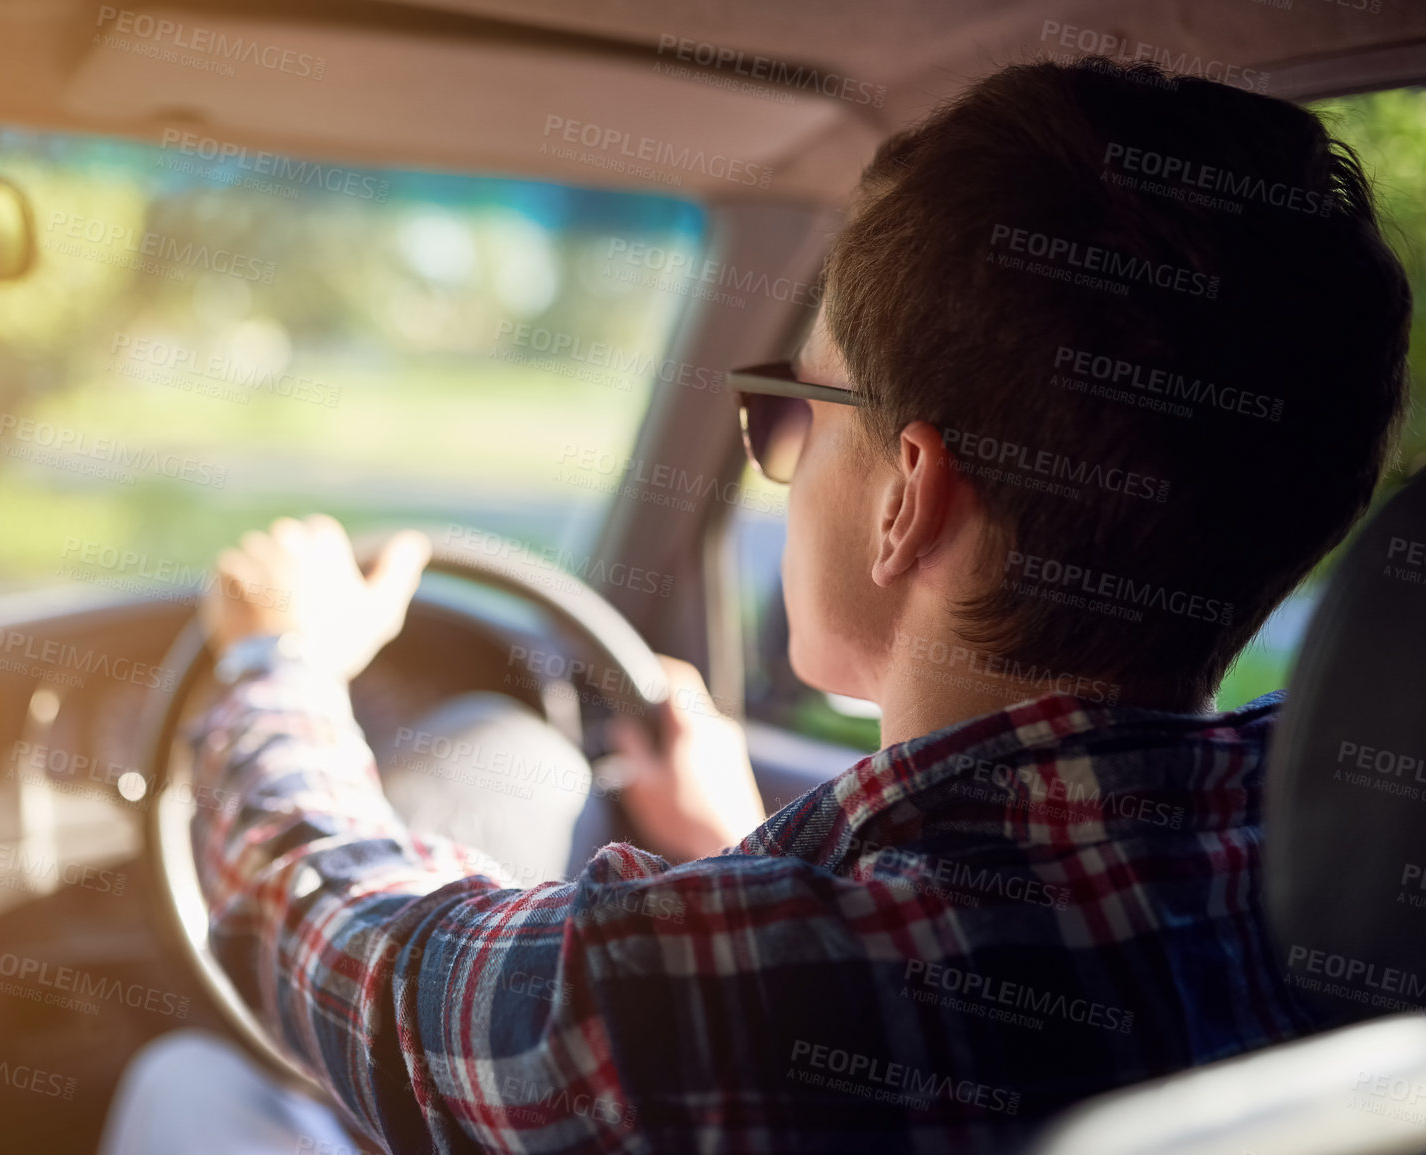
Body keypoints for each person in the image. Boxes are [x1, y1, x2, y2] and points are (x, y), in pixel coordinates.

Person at [99, 56, 1411, 1154]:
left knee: (190, 1087)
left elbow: (357, 958)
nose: (779, 458)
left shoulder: (741, 998)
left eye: (804, 408)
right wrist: (744, 840)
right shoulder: (1336, 871)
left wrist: (278, 663)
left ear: (910, 499)